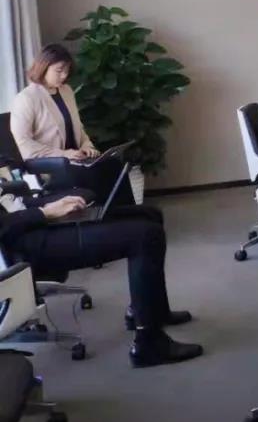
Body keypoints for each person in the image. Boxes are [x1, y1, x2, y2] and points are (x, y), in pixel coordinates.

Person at [0, 188, 202, 367]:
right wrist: (43, 212)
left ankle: (153, 311)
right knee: (146, 235)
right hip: (18, 246)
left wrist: (50, 203)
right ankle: (149, 344)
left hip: (25, 223)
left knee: (150, 214)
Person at [10, 44, 132, 204]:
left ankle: (127, 214)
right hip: (53, 166)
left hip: (76, 158)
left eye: (67, 71)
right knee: (95, 174)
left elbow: (78, 127)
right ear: (43, 67)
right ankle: (104, 217)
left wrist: (87, 146)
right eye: (59, 70)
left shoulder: (66, 91)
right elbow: (24, 143)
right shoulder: (26, 98)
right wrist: (64, 154)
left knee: (113, 165)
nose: (64, 75)